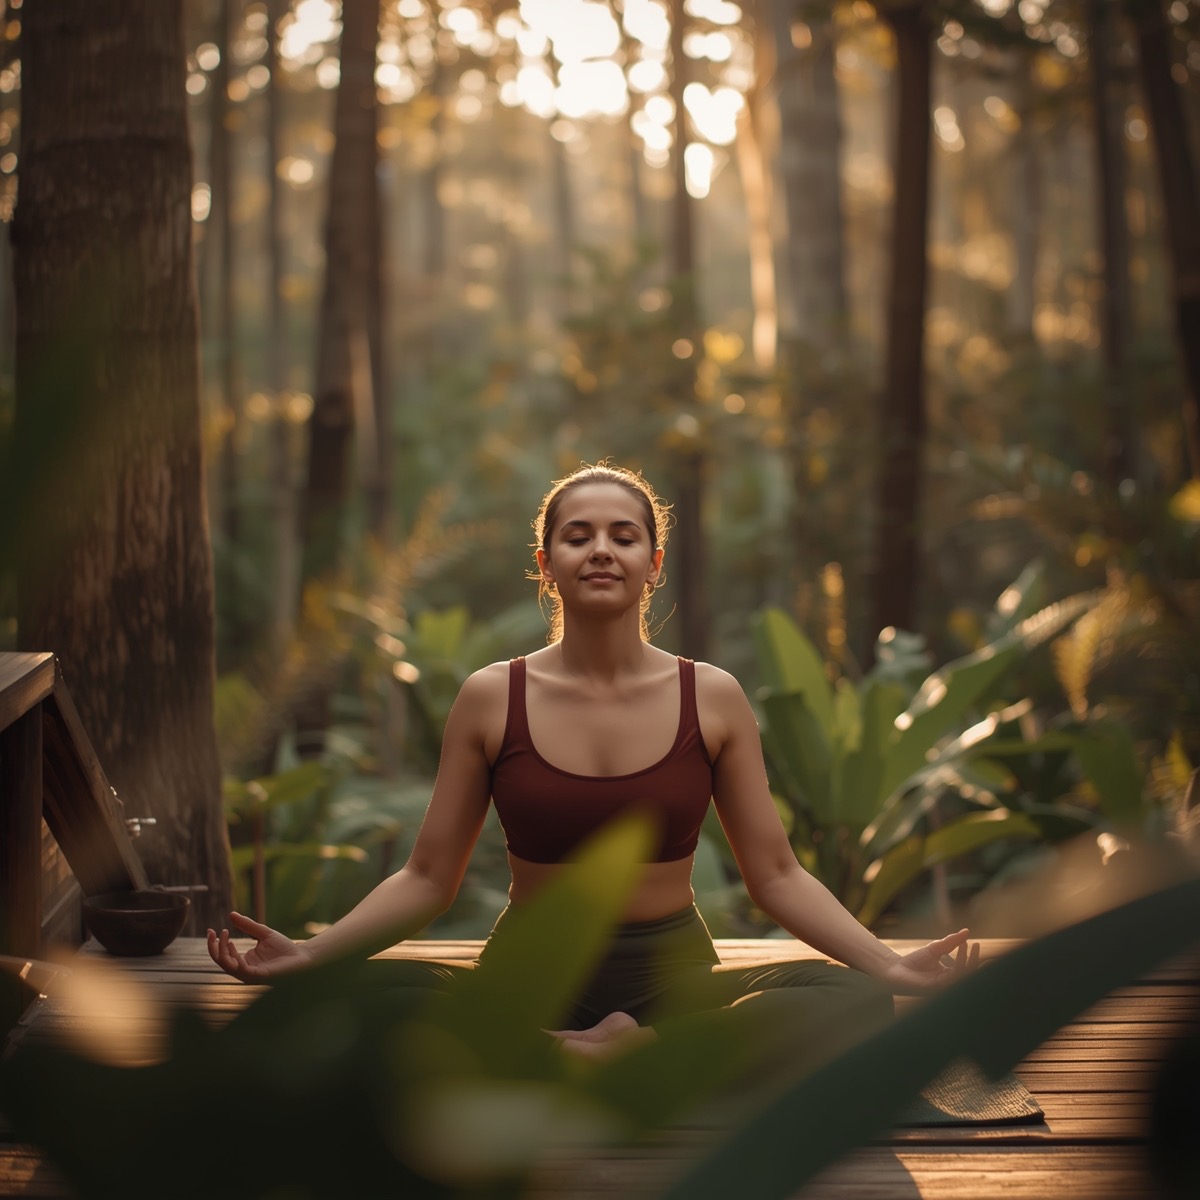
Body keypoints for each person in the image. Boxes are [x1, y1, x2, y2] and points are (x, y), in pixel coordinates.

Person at [208, 463, 976, 1065]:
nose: (601, 549)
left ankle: (586, 1056)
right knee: (350, 1001)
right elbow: (426, 879)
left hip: (676, 978)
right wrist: (312, 955)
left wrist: (890, 966)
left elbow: (775, 875)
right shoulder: (489, 697)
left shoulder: (711, 696)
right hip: (529, 976)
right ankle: (591, 1055)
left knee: (847, 1002)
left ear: (654, 561)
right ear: (546, 563)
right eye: (578, 536)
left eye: (623, 535)